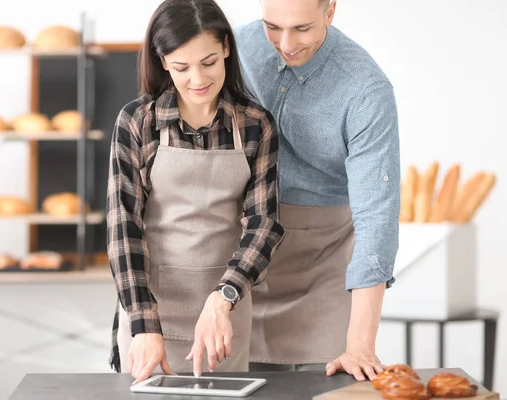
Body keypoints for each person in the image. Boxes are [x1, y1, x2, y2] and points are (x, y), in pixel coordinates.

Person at [106, 0, 285, 384]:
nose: (198, 79)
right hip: (150, 316)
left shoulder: (256, 126)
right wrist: (143, 325)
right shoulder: (139, 122)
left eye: (208, 62)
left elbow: (263, 225)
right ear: (163, 61)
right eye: (182, 67)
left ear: (225, 48)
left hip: (223, 315)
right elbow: (124, 228)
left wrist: (224, 297)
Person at [234, 0, 401, 382]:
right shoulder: (235, 48)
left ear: (331, 12)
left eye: (302, 29)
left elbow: (377, 215)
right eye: (272, 26)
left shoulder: (366, 89)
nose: (286, 43)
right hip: (240, 257)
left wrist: (361, 343)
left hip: (321, 269)